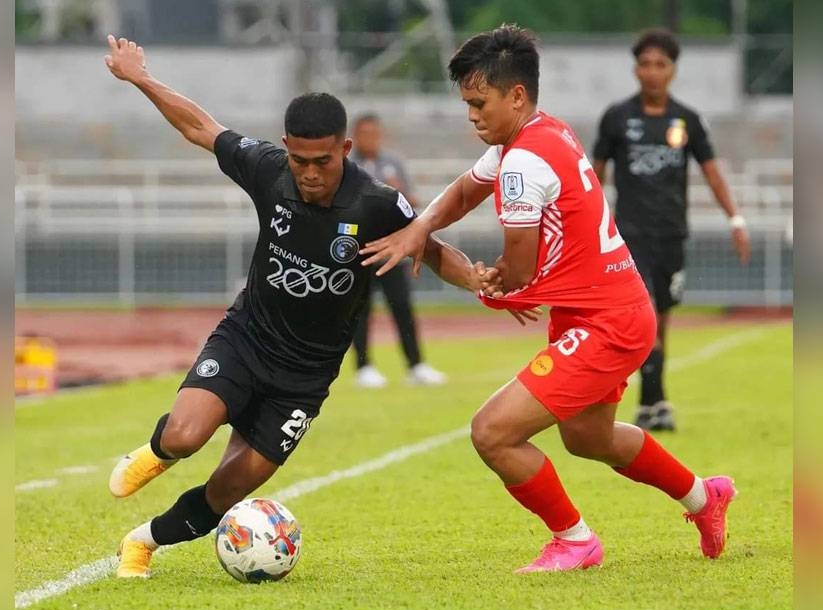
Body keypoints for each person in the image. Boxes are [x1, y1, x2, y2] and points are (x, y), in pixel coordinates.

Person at [101, 35, 520, 578]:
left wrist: (483, 283)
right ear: (286, 147)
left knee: (228, 488)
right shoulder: (269, 170)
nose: (310, 173)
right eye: (300, 160)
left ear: (344, 151)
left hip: (305, 376)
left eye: (322, 161)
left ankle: (143, 541)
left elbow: (433, 250)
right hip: (247, 339)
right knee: (184, 436)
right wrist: (140, 77)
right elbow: (200, 128)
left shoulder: (375, 203)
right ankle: (157, 450)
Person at [362, 24, 736, 573]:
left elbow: (516, 265)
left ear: (516, 95)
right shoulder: (542, 132)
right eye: (466, 103)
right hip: (606, 306)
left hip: (606, 321)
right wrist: (422, 227)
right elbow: (467, 189)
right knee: (589, 438)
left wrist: (487, 284)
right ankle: (706, 498)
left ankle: (575, 539)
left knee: (492, 432)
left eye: (478, 102)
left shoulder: (522, 163)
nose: (471, 115)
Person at [592, 28, 751, 431]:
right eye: (645, 64)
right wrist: (588, 224)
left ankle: (653, 402)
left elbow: (712, 173)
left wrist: (735, 218)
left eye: (660, 64)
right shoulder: (617, 118)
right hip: (629, 235)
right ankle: (653, 402)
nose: (652, 72)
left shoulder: (687, 120)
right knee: (642, 313)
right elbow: (594, 175)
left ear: (672, 71)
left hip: (672, 235)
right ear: (635, 69)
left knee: (660, 320)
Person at [349, 113, 447, 388]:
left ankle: (416, 365)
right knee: (360, 311)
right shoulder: (348, 165)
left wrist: (398, 192)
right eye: (364, 133)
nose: (370, 138)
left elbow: (411, 200)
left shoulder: (393, 163)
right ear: (355, 136)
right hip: (361, 252)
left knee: (402, 307)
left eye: (374, 133)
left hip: (393, 250)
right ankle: (364, 367)